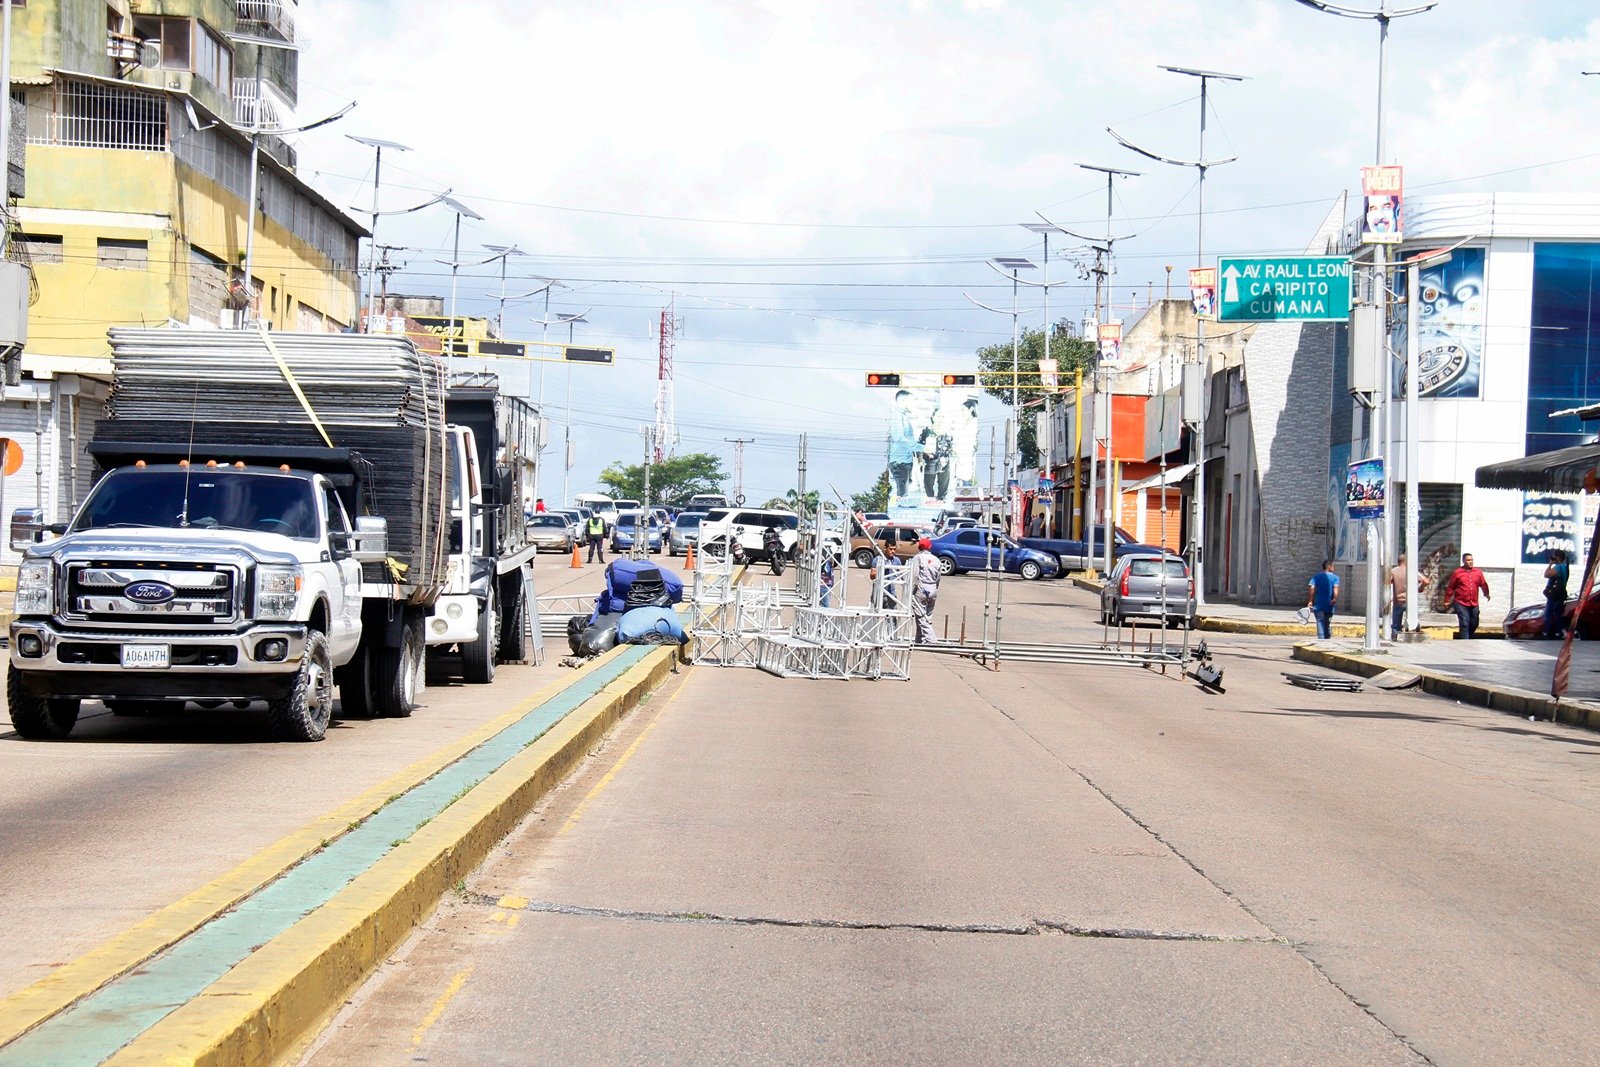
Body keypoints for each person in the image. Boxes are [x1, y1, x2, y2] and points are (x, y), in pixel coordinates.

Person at [1443, 551, 1491, 639]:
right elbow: (1451, 587)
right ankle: (1465, 642)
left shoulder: (1478, 572)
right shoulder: (1457, 573)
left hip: (1474, 603)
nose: (1470, 562)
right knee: (1464, 623)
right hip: (1461, 603)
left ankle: (1467, 637)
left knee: (1474, 623)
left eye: (1472, 560)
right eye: (1468, 560)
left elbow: (1483, 584)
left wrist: (1486, 593)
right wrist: (1447, 600)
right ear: (1464, 561)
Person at [1387, 552, 1429, 636]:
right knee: (1413, 621)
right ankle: (1414, 635)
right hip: (1410, 601)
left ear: (1398, 561)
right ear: (1406, 561)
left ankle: (1395, 637)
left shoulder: (1393, 571)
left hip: (1398, 601)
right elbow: (1426, 581)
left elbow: (1387, 582)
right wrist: (1420, 588)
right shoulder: (1412, 571)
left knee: (1396, 624)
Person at [911, 536, 942, 644]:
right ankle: (920, 640)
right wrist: (935, 587)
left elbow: (915, 575)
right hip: (933, 588)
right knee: (927, 615)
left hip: (922, 588)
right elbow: (939, 576)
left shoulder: (918, 558)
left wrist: (912, 589)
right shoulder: (936, 559)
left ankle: (932, 640)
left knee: (921, 616)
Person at [889, 390, 917, 500]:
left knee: (903, 494)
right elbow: (899, 438)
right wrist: (921, 447)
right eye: (912, 401)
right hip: (899, 463)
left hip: (904, 462)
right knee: (901, 496)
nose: (913, 404)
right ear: (904, 400)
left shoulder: (903, 416)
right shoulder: (897, 416)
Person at [1306, 559, 1340, 640]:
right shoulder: (1335, 578)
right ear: (1329, 567)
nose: (1333, 568)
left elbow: (1312, 588)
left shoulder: (1316, 577)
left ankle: (1321, 639)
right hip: (1329, 605)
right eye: (1333, 566)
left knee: (1320, 621)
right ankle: (1326, 638)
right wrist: (1334, 598)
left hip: (1318, 604)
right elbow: (1335, 588)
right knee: (1327, 623)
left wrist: (1310, 600)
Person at [1542, 548, 1570, 640]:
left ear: (1557, 557)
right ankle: (1559, 632)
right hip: (1561, 594)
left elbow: (1546, 575)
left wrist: (1550, 563)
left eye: (1554, 556)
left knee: (1548, 613)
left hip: (1554, 595)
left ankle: (1547, 632)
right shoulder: (1565, 567)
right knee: (1558, 614)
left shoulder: (1558, 568)